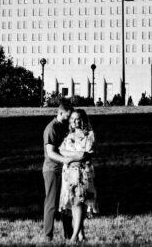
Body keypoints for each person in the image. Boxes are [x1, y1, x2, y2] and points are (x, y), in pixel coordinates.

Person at [43, 99, 87, 240]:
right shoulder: (51, 128)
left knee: (67, 204)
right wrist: (66, 160)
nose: (69, 120)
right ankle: (48, 236)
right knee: (52, 203)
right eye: (67, 116)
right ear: (60, 112)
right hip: (52, 169)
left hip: (67, 171)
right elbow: (50, 152)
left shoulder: (65, 126)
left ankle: (69, 235)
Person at [59, 109, 98, 242]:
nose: (75, 121)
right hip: (69, 174)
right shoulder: (69, 135)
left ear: (83, 120)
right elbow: (61, 150)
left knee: (79, 203)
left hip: (82, 174)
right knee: (74, 204)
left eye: (78, 119)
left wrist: (69, 158)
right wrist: (73, 157)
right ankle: (81, 235)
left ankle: (74, 236)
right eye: (73, 119)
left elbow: (85, 155)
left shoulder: (89, 135)